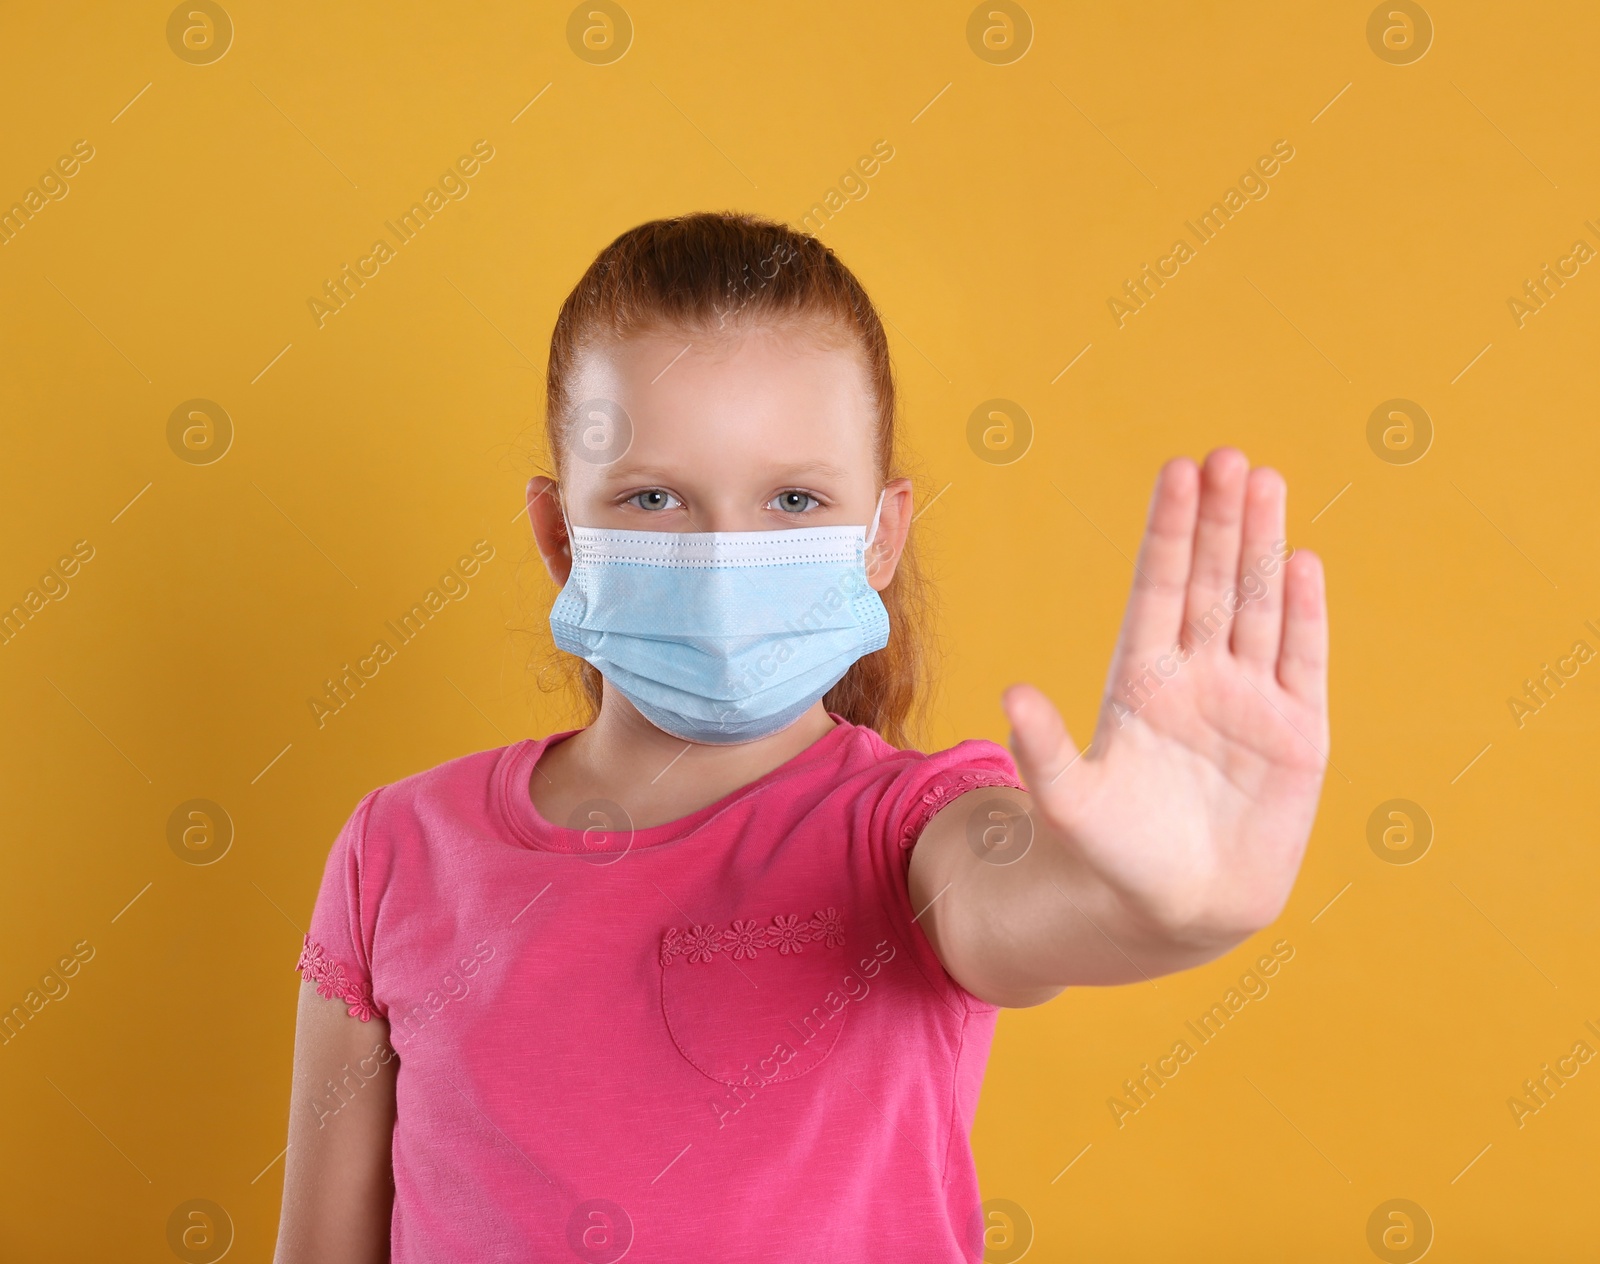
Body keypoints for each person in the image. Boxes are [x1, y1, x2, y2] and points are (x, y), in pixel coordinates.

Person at [272, 211, 1328, 1263]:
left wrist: (1160, 908)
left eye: (792, 497)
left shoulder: (915, 830)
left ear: (881, 533)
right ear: (560, 535)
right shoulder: (396, 851)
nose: (728, 551)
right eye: (652, 497)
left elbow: (1021, 904)